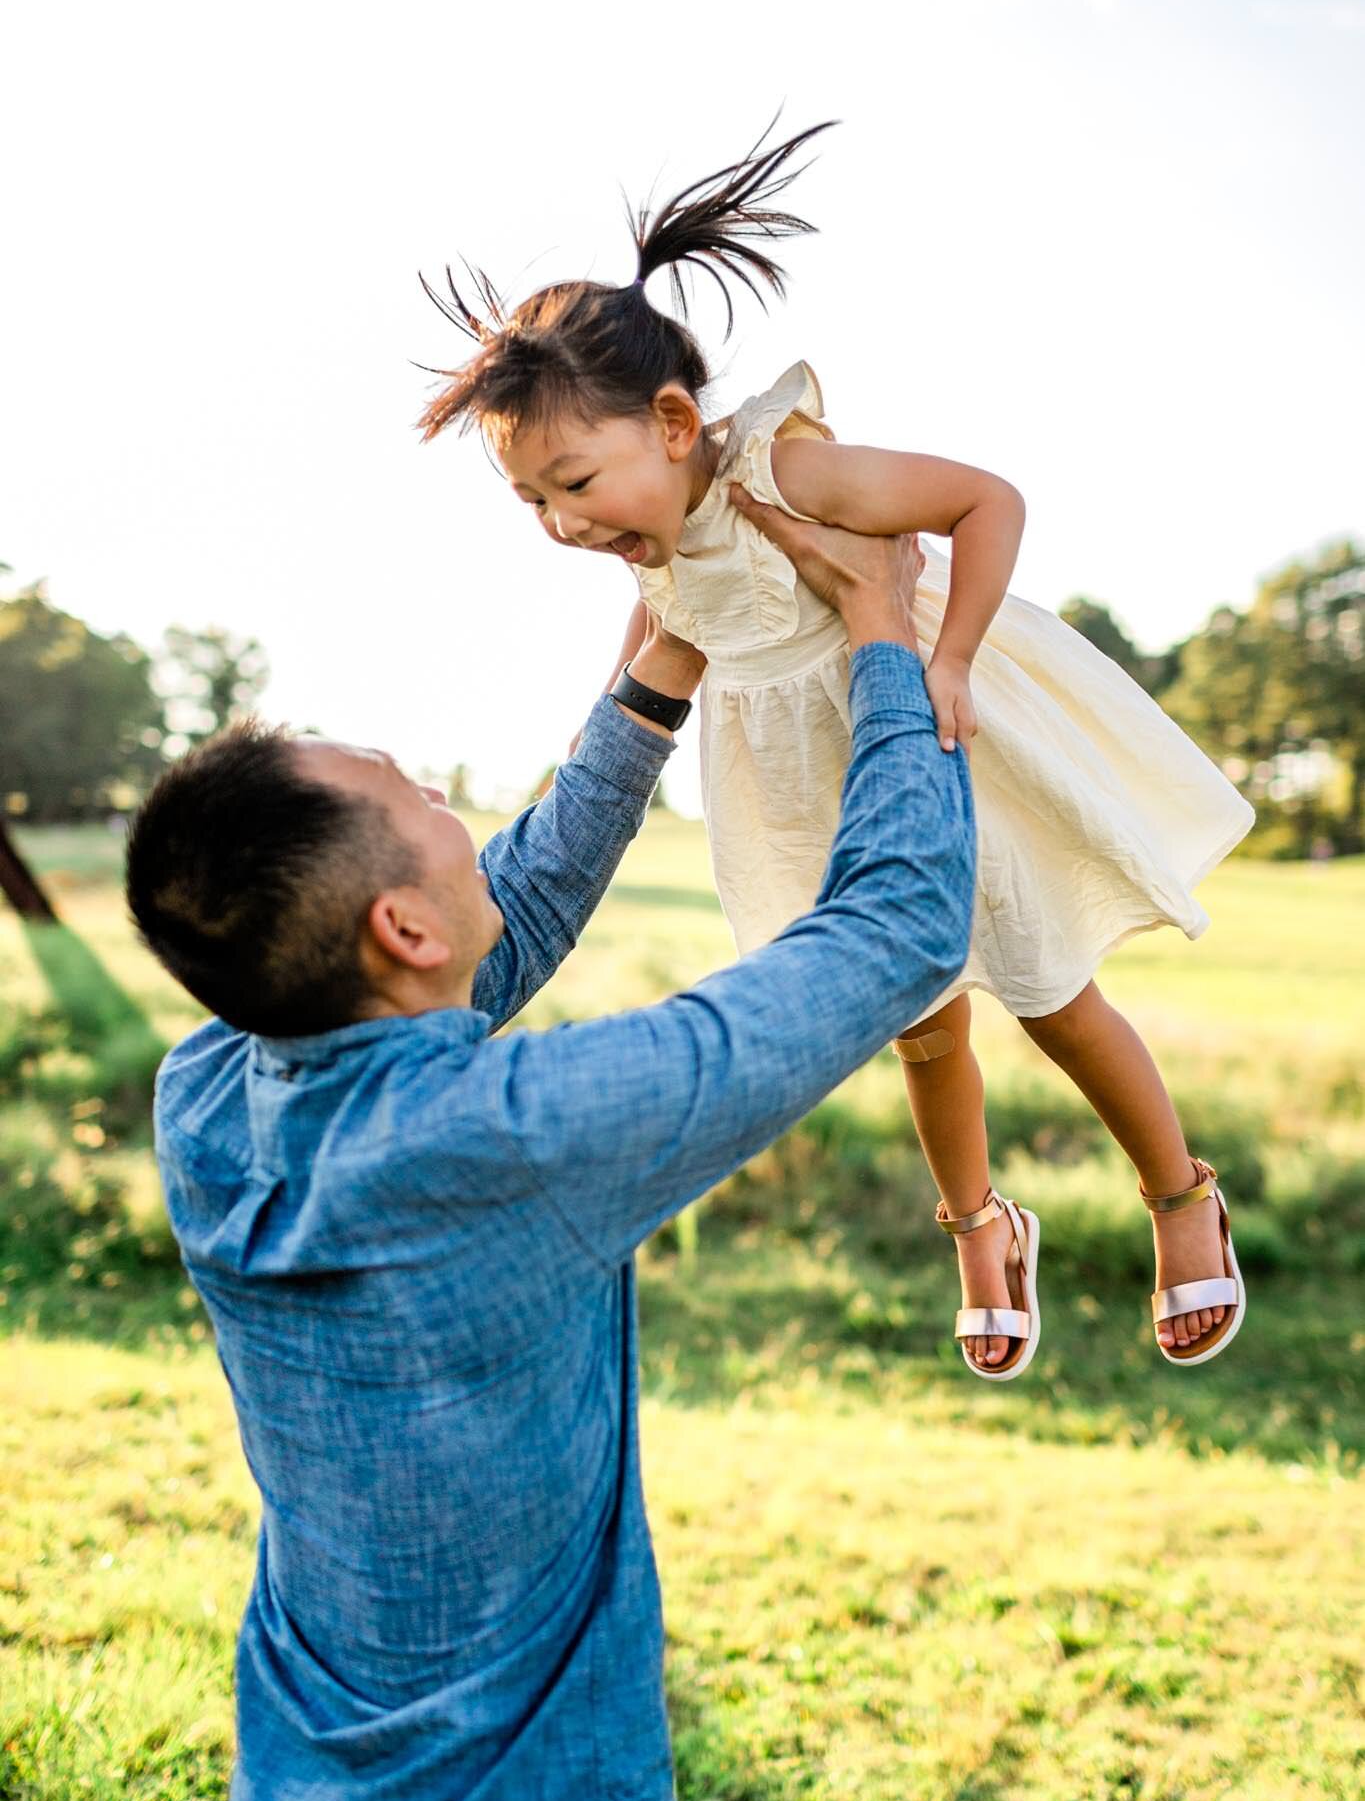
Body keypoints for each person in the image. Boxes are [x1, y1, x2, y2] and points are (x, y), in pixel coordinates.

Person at [125, 510, 973, 1801]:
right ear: (396, 924)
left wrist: (661, 670)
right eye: (426, 796)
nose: (459, 802)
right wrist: (887, 638)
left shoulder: (208, 1092)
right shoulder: (511, 1137)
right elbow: (894, 930)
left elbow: (490, 925)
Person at [418, 120, 1254, 1383]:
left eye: (575, 481)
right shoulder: (652, 547)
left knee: (1050, 996)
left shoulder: (787, 468)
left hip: (934, 745)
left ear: (676, 419)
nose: (559, 521)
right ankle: (980, 1226)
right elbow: (650, 659)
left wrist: (957, 652)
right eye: (534, 501)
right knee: (918, 1026)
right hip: (809, 797)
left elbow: (987, 498)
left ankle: (1180, 1191)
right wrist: (582, 759)